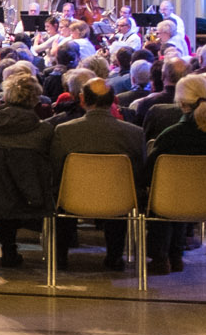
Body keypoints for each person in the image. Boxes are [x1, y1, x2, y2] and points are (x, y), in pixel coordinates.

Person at [141, 74, 206, 274]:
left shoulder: (171, 136)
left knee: (167, 191)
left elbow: (147, 175)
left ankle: (163, 256)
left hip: (171, 204)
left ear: (180, 102)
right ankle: (176, 255)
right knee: (180, 192)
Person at [50, 78, 145, 271]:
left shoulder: (64, 131)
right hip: (119, 202)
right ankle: (115, 257)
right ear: (113, 100)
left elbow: (55, 169)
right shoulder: (134, 133)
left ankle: (60, 257)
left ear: (82, 99)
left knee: (59, 190)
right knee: (121, 189)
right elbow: (141, 171)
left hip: (71, 200)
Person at [0, 73, 55, 267]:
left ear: (6, 96)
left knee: (3, 186)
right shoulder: (44, 131)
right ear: (35, 99)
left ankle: (8, 246)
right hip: (33, 198)